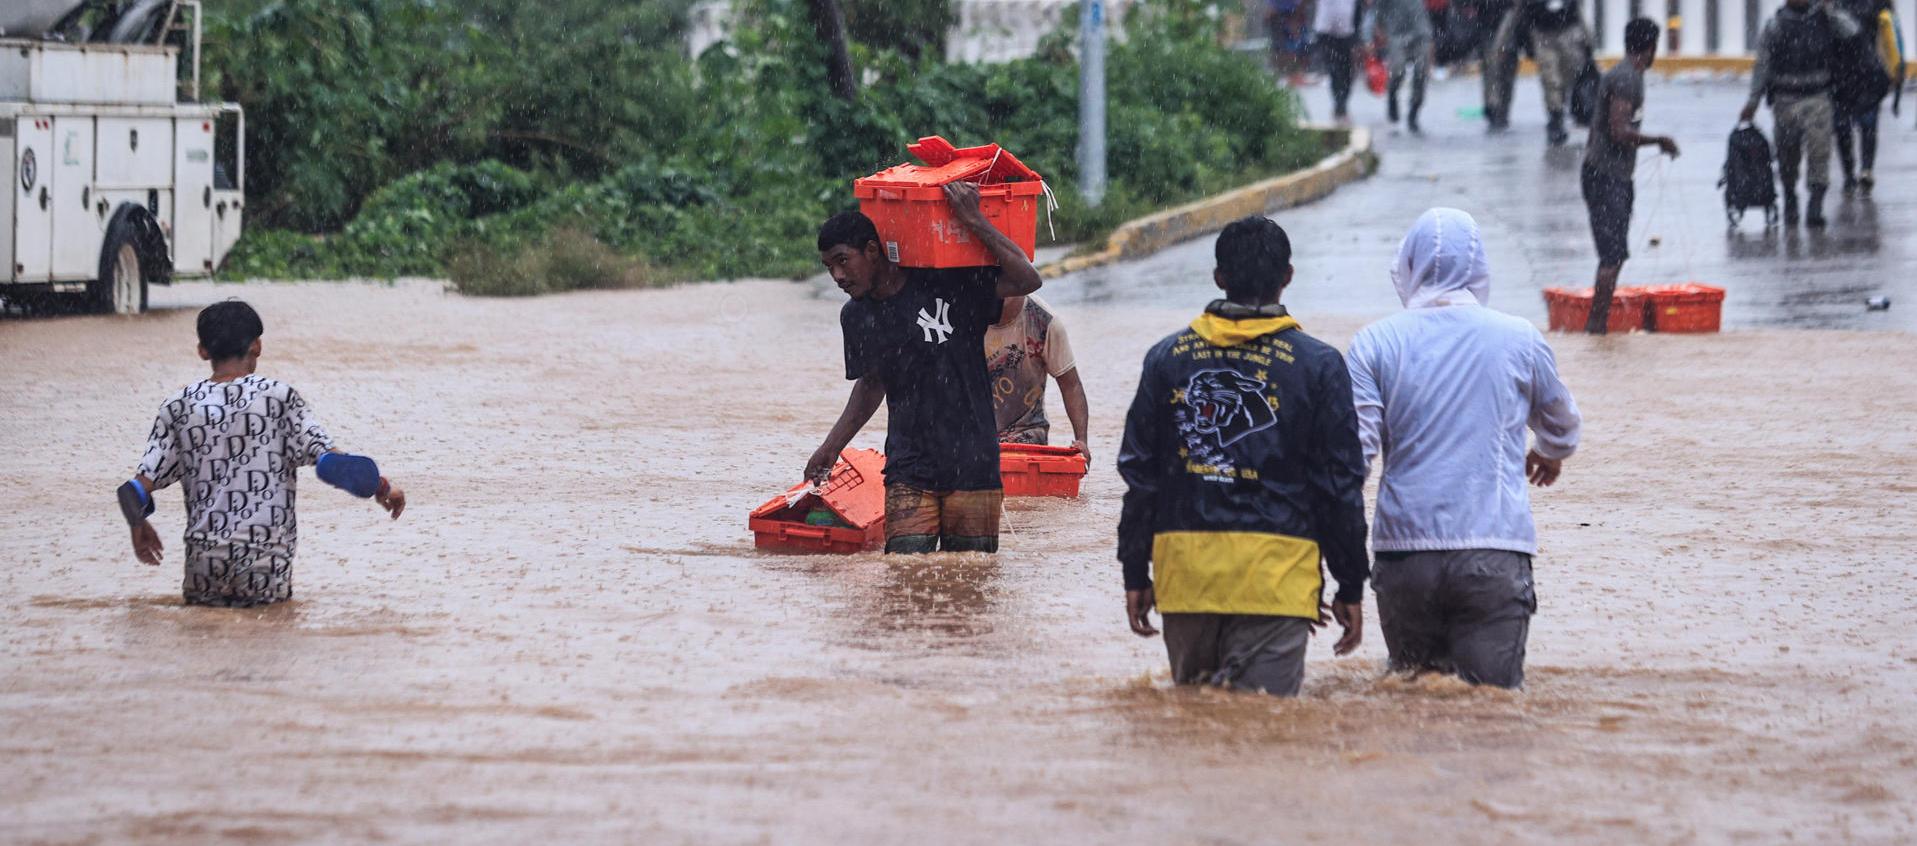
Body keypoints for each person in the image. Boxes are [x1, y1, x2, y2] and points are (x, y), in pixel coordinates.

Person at [1117, 217, 1369, 697]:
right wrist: (1350, 584)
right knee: (1264, 744)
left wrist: (1136, 572)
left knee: (1194, 733)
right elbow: (1339, 487)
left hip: (1186, 579)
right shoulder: (1317, 366)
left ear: (1219, 277)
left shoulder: (1167, 358)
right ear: (1288, 276)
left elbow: (1140, 478)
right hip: (1277, 582)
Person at [1346, 208, 1581, 689]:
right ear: (1479, 269)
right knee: (1491, 715)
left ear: (1408, 266)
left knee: (1412, 703)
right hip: (1492, 552)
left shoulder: (1373, 343)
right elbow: (1562, 421)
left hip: (1404, 556)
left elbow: (1354, 454)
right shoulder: (1518, 337)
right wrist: (1550, 451)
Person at [117, 300, 407, 607]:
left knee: (202, 642)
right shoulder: (278, 398)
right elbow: (334, 465)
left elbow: (132, 491)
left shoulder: (178, 407)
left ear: (203, 350)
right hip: (266, 557)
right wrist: (383, 487)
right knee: (269, 640)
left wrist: (139, 523)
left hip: (204, 559)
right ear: (257, 345)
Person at [807, 184, 1043, 554]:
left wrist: (974, 220)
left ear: (872, 251)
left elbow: (1028, 279)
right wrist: (831, 447)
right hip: (908, 467)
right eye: (828, 267)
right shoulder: (856, 316)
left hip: (973, 463)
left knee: (970, 583)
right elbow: (871, 385)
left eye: (842, 261)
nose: (837, 275)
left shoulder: (950, 284)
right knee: (904, 578)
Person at [1580, 18, 1680, 335]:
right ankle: (1596, 328)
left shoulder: (1627, 75)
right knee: (1611, 256)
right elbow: (1619, 131)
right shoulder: (1627, 80)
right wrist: (1659, 141)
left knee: (1615, 254)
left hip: (1608, 175)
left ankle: (1598, 328)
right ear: (1650, 48)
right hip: (1606, 177)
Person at [1740, 0, 1861, 228]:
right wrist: (1753, 101)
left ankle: (1815, 205)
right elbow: (1762, 65)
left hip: (1818, 97)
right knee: (1787, 155)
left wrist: (1830, 12)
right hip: (1785, 100)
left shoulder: (1825, 19)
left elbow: (1852, 32)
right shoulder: (1775, 25)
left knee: (1819, 152)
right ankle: (1790, 197)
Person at [985, 295, 1090, 458]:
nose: (1000, 298)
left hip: (1025, 431)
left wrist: (1081, 440)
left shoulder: (1044, 321)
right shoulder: (965, 313)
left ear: (1022, 287)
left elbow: (1071, 385)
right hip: (975, 431)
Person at [1492, 0, 1593, 145]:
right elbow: (1515, 14)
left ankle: (1560, 109)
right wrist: (1503, 43)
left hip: (1568, 31)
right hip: (1542, 34)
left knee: (1567, 75)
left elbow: (1579, 10)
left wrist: (1588, 40)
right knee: (1550, 79)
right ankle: (1555, 117)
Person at [1831, 0, 1901, 195]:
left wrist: (1895, 65)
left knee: (1865, 124)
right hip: (1846, 74)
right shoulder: (1838, 5)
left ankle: (1864, 170)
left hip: (1864, 73)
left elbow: (1890, 36)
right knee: (1844, 127)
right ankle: (1851, 173)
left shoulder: (1876, 5)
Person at [1366, 0, 1434, 133]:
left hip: (1421, 32)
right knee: (1398, 71)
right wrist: (1368, 38)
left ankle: (1414, 111)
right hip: (1396, 34)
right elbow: (1372, 15)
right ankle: (1392, 94)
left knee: (1421, 72)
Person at [1314, 0, 1364, 124]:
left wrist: (1357, 36)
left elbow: (1359, 10)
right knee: (1334, 70)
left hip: (1346, 33)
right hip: (1326, 33)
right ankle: (1339, 104)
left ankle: (1342, 103)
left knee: (1347, 73)